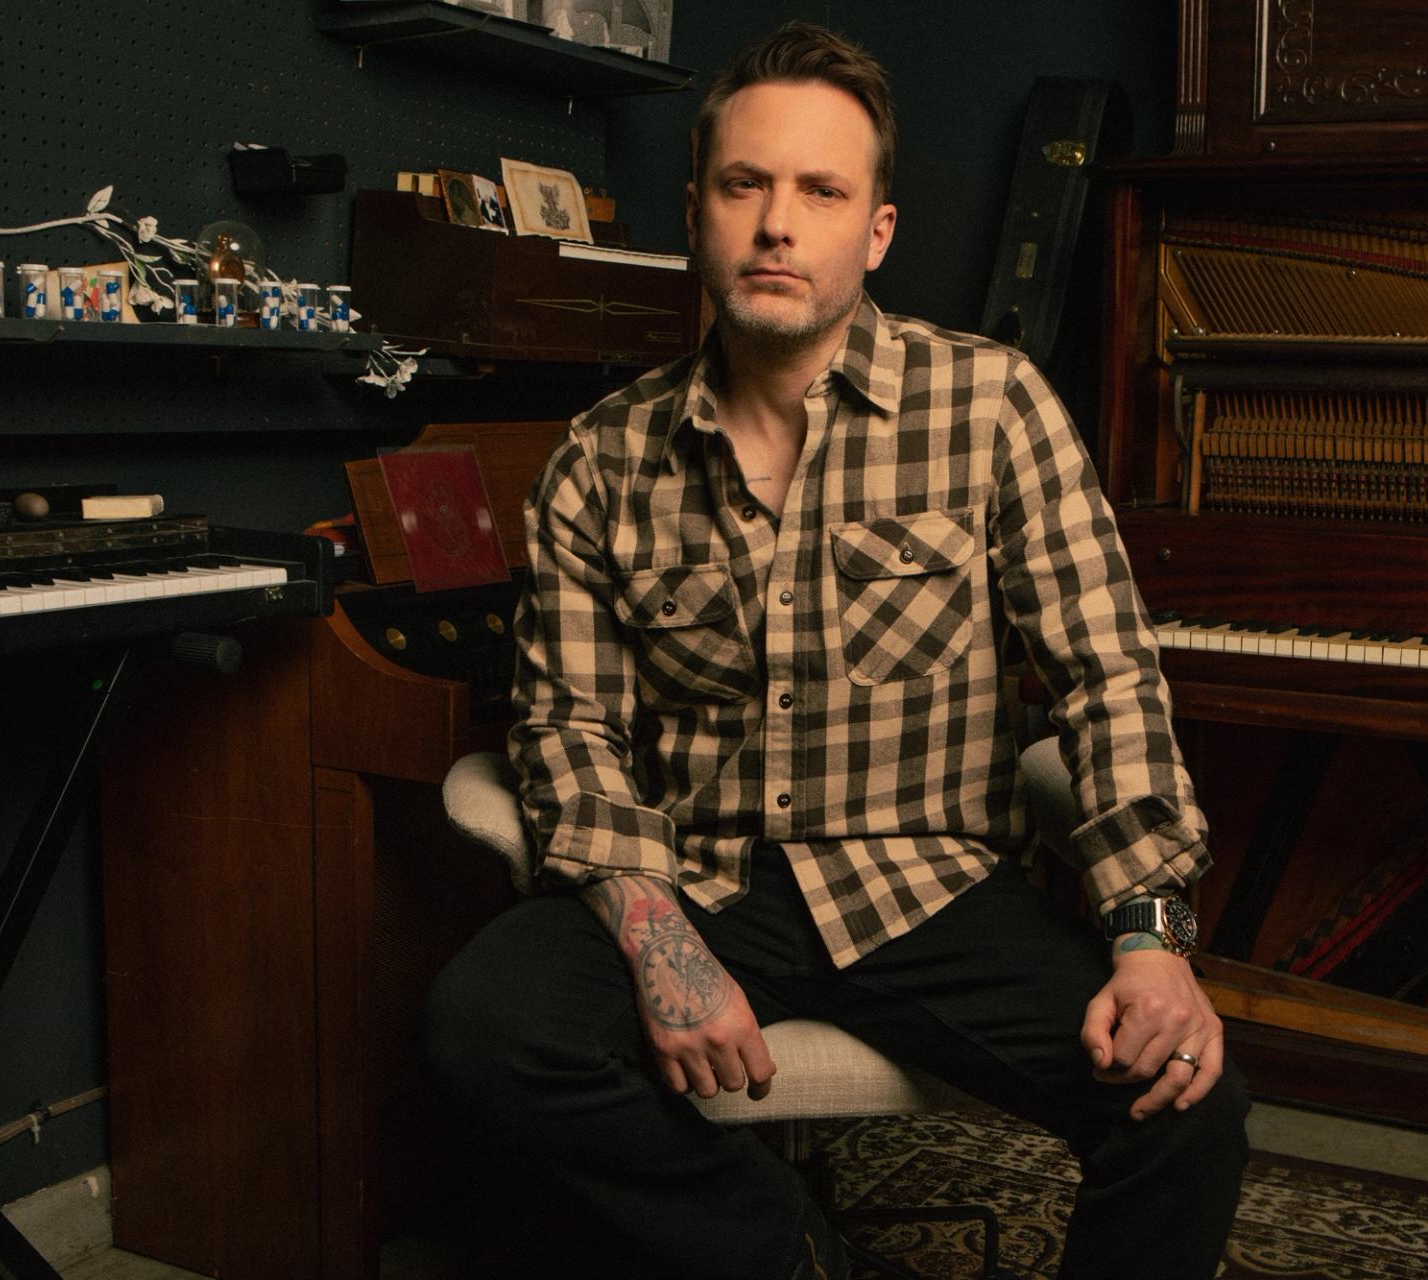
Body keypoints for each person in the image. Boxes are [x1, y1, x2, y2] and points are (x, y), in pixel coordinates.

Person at [425, 21, 1249, 1280]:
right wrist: (655, 927)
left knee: (1187, 1100)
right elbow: (568, 727)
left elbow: (1106, 676)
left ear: (875, 231)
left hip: (930, 882)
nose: (776, 224)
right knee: (486, 1026)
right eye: (745, 185)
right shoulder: (601, 456)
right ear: (694, 208)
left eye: (821, 191)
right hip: (699, 876)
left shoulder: (993, 405)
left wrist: (1150, 935)